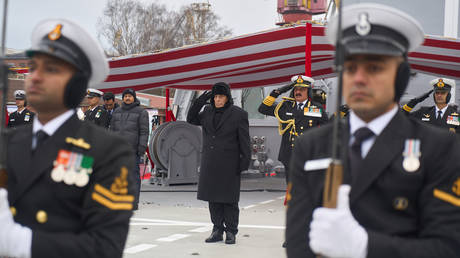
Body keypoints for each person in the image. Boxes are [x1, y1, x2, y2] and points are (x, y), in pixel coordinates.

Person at [286, 3, 460, 258]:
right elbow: (297, 244)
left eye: (374, 68)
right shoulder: (311, 147)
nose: (358, 78)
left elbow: (448, 248)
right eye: (350, 67)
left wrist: (365, 247)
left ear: (400, 76)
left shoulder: (440, 149)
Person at [0, 19, 137, 258]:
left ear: (76, 84)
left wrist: (20, 243)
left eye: (51, 69)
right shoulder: (6, 142)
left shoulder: (108, 152)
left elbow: (105, 248)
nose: (36, 76)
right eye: (33, 67)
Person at [187, 82, 250, 245]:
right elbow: (191, 119)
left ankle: (231, 231)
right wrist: (201, 100)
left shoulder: (239, 114)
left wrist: (245, 161)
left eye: (221, 96)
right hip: (210, 160)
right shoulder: (207, 111)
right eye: (215, 97)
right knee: (212, 198)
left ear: (227, 98)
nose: (217, 100)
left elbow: (244, 140)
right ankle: (217, 229)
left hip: (230, 162)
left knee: (229, 199)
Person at [258, 75, 328, 183]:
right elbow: (263, 109)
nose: (298, 92)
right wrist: (277, 92)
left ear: (308, 91)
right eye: (296, 89)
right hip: (289, 155)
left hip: (308, 155)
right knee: (292, 188)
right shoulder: (285, 106)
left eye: (302, 89)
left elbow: (326, 129)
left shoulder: (315, 108)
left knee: (307, 188)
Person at [110, 88, 149, 210]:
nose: (127, 98)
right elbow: (112, 130)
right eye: (125, 96)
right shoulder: (116, 111)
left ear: (134, 98)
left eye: (130, 96)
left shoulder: (141, 112)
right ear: (122, 98)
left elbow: (144, 131)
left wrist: (141, 148)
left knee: (133, 176)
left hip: (133, 149)